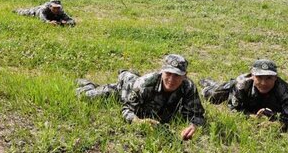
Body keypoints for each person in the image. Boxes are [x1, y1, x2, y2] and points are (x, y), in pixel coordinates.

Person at [75, 54, 204, 140]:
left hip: (139, 89)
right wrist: (137, 121)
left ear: (185, 76)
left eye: (177, 75)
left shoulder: (188, 87)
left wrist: (193, 126)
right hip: (125, 89)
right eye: (168, 73)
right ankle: (88, 84)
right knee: (84, 96)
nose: (171, 79)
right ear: (162, 71)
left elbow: (197, 115)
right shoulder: (145, 84)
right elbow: (126, 108)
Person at [200, 59, 288, 130]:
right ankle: (208, 85)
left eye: (269, 78)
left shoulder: (285, 90)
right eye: (259, 78)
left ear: (276, 77)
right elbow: (234, 109)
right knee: (213, 96)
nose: (264, 83)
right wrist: (253, 117)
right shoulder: (242, 85)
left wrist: (276, 124)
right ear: (252, 76)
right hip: (235, 88)